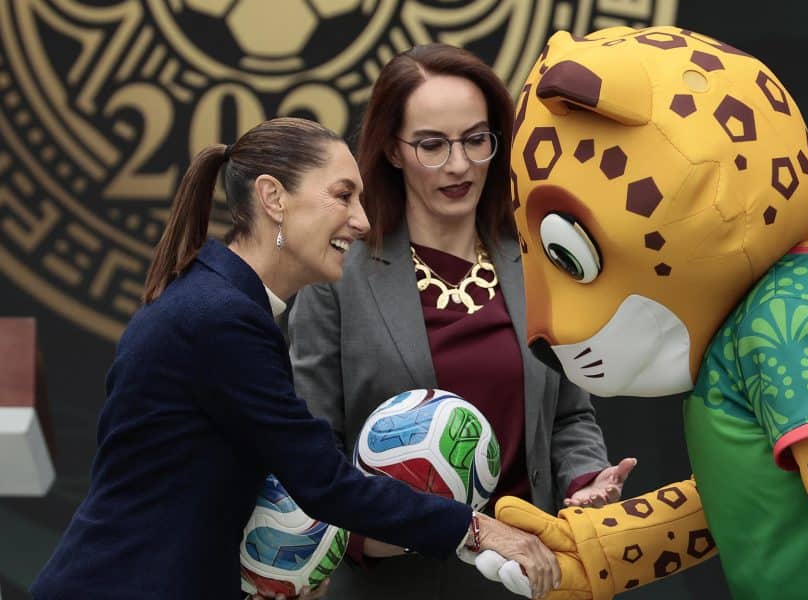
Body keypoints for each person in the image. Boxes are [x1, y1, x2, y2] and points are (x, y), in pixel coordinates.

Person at [30, 117, 560, 600]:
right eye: (343, 196)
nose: (361, 220)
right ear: (273, 198)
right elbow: (324, 483)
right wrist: (480, 529)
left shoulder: (217, 303)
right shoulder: (221, 318)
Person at [287, 45, 635, 600]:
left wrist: (586, 482)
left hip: (533, 578)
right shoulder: (338, 275)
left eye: (476, 139)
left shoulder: (536, 258)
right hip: (394, 584)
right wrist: (380, 535)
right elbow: (311, 454)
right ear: (393, 151)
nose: (458, 164)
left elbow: (569, 416)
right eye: (432, 144)